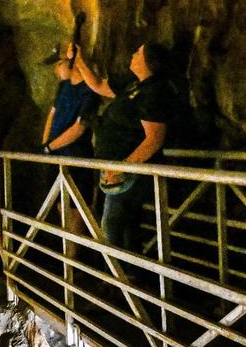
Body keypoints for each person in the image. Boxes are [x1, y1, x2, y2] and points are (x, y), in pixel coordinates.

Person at [68, 41, 177, 253]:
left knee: (111, 226)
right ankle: (129, 277)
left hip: (129, 174)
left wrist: (122, 167)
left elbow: (154, 139)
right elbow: (99, 85)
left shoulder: (154, 91)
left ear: (149, 62)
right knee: (126, 228)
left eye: (138, 52)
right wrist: (80, 61)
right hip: (119, 171)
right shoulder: (133, 84)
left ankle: (115, 281)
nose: (133, 54)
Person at [40, 45, 100, 191]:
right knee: (58, 203)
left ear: (70, 62)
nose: (56, 71)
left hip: (75, 157)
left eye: (58, 64)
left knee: (75, 207)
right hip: (55, 155)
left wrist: (49, 147)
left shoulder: (89, 90)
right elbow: (52, 115)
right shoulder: (63, 86)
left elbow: (79, 127)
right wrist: (45, 144)